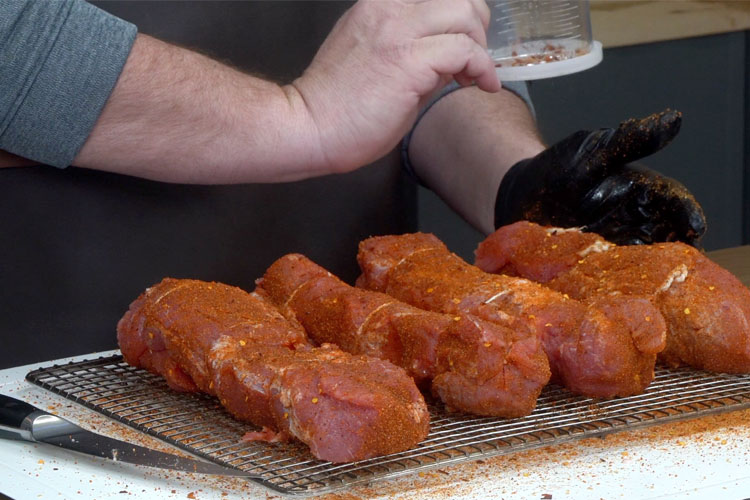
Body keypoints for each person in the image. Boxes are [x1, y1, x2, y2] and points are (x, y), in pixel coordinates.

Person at [0, 0, 704, 367]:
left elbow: (423, 41)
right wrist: (297, 117)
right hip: (51, 366)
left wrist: (514, 179)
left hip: (366, 365)